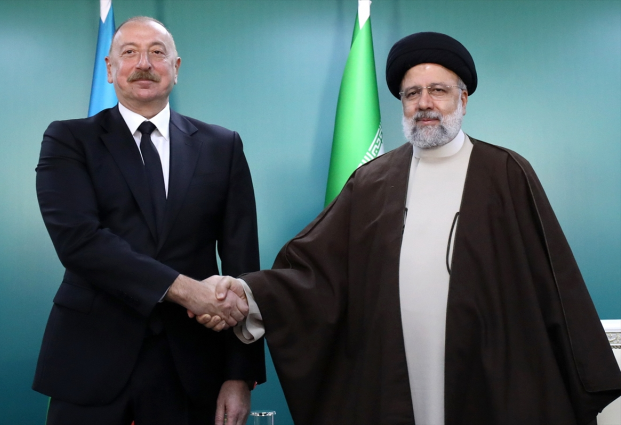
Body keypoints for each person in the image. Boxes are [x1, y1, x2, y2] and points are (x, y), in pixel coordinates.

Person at [197, 32, 621, 425]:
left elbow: (553, 282)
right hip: (392, 373)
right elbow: (315, 272)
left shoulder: (506, 173)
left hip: (488, 375)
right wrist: (248, 293)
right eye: (412, 93)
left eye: (438, 90)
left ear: (463, 99)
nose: (424, 103)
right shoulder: (372, 181)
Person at [33, 16, 264, 425]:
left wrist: (240, 375)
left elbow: (242, 265)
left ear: (176, 67)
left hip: (193, 366)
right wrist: (187, 291)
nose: (144, 63)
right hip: (90, 362)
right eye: (130, 53)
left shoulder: (222, 146)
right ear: (110, 68)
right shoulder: (68, 140)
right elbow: (80, 242)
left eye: (157, 52)